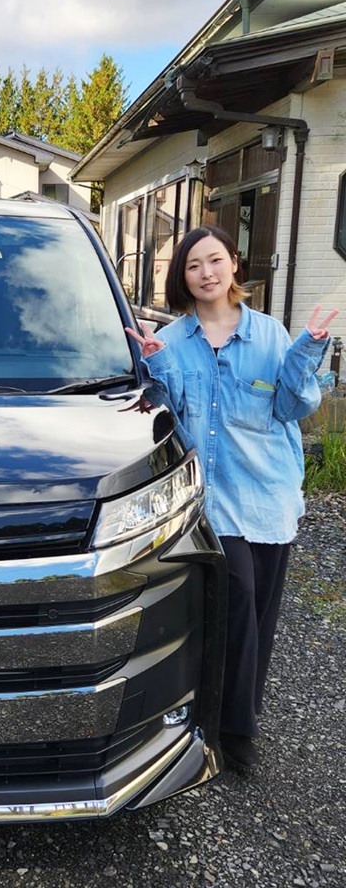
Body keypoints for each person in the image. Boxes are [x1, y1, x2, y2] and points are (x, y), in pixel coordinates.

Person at [125, 225, 339, 771]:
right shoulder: (171, 340)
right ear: (183, 276)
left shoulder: (270, 334)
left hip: (266, 495)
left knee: (257, 617)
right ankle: (233, 730)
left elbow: (292, 408)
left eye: (215, 260)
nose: (206, 273)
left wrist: (307, 350)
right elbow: (167, 415)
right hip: (207, 502)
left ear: (234, 264)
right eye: (194, 265)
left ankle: (236, 714)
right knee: (236, 600)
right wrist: (155, 363)